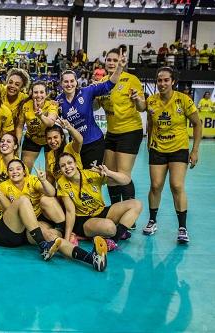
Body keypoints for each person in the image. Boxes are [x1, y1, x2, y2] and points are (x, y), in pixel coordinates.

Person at [0, 166, 109, 272]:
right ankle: (43, 245)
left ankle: (91, 259)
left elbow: (9, 208)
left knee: (51, 237)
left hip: (14, 227)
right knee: (23, 200)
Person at [143, 67, 202, 243]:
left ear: (173, 81)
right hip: (158, 148)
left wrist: (195, 150)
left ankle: (182, 227)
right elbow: (151, 123)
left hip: (178, 149)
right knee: (155, 185)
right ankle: (152, 221)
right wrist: (149, 143)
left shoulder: (183, 100)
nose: (162, 83)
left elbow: (197, 124)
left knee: (176, 185)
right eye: (159, 80)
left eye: (166, 80)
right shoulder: (151, 101)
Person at [96, 48, 147, 224]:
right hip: (111, 133)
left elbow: (142, 107)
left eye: (114, 60)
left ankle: (129, 216)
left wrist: (137, 99)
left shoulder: (131, 80)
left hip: (130, 131)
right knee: (110, 175)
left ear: (120, 62)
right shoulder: (102, 82)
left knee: (123, 174)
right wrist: (93, 96)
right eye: (108, 59)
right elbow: (95, 107)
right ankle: (116, 212)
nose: (111, 62)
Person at [56, 153, 142, 251]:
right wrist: (66, 240)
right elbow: (70, 212)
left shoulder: (90, 173)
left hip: (101, 211)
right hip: (84, 219)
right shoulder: (62, 183)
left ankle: (113, 240)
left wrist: (109, 173)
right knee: (110, 228)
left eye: (69, 163)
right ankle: (106, 234)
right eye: (63, 166)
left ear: (76, 164)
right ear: (60, 169)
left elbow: (126, 181)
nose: (67, 167)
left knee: (136, 204)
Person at [56, 49, 126, 168]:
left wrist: (119, 67)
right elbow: (51, 118)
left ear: (76, 82)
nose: (69, 84)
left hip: (94, 143)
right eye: (66, 82)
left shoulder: (87, 92)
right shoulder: (58, 101)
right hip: (76, 146)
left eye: (72, 81)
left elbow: (109, 84)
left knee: (92, 178)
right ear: (61, 84)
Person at [0, 159, 66, 235]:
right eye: (11, 170)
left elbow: (52, 193)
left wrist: (43, 181)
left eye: (18, 169)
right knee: (45, 233)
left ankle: (63, 228)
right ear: (8, 173)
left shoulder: (31, 179)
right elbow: (7, 210)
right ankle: (58, 234)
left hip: (43, 214)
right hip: (28, 219)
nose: (14, 172)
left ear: (24, 172)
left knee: (46, 199)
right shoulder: (3, 186)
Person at [16, 81, 59, 172]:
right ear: (32, 94)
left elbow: (51, 123)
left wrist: (41, 116)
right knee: (25, 171)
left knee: (50, 173)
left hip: (50, 141)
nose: (38, 95)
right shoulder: (25, 106)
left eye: (41, 92)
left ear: (46, 94)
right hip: (32, 139)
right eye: (36, 92)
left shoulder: (52, 104)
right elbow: (19, 126)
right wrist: (17, 143)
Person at [44, 118, 83, 185]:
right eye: (49, 138)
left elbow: (79, 140)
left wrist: (69, 127)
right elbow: (50, 177)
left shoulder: (70, 148)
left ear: (62, 138)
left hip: (78, 188)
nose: (52, 141)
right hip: (63, 191)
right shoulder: (49, 155)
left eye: (55, 137)